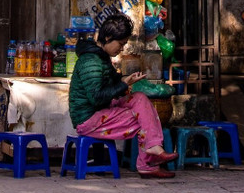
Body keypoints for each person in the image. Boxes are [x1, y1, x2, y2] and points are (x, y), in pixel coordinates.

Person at [68, 13, 178, 179]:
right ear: (108, 37)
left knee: (140, 98)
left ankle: (153, 148)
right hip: (88, 120)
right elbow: (96, 97)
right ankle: (146, 163)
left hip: (101, 113)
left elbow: (112, 84)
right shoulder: (91, 61)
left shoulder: (101, 57)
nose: (121, 48)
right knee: (143, 118)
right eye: (120, 44)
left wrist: (126, 80)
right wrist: (123, 84)